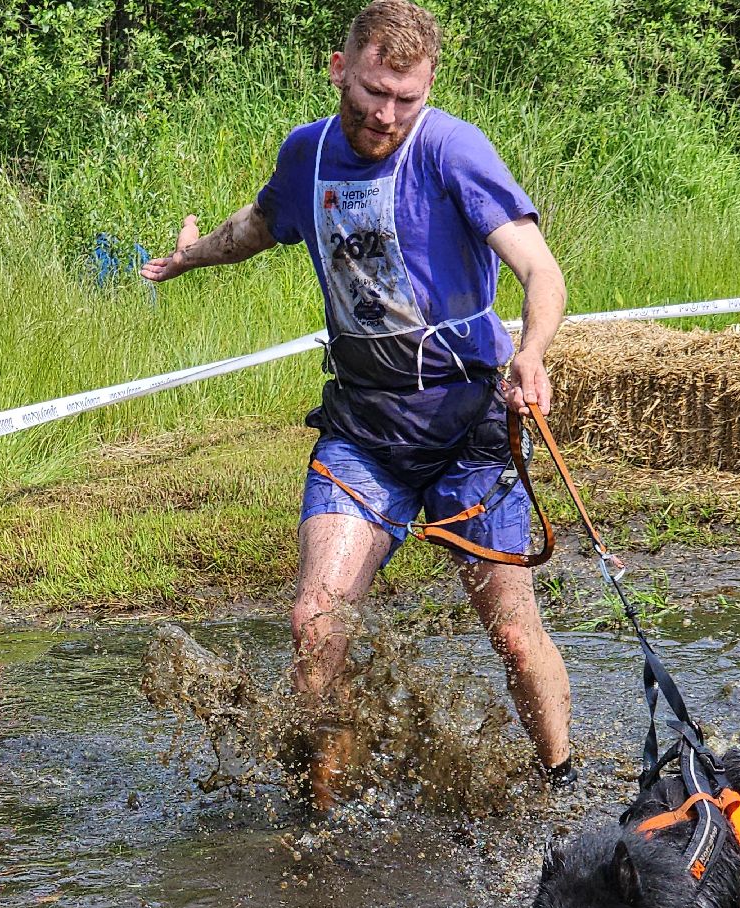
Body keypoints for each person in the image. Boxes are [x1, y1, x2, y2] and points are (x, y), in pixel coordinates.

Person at [140, 0, 573, 809]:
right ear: (341, 69)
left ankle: (563, 784)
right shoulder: (308, 155)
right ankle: (322, 816)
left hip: (468, 426)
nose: (385, 114)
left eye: (404, 98)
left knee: (512, 630)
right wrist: (187, 259)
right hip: (364, 431)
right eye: (373, 91)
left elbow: (540, 271)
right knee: (316, 622)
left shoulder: (451, 149)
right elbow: (261, 223)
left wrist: (533, 353)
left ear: (428, 84)